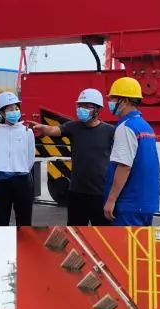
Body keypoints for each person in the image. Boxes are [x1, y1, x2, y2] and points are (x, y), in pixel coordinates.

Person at [28, 88, 114, 225]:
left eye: (86, 106)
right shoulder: (73, 127)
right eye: (80, 106)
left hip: (101, 193)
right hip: (77, 192)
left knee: (101, 232)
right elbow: (54, 130)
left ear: (98, 109)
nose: (81, 109)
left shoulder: (110, 131)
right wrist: (42, 128)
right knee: (75, 229)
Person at [103, 77, 160, 226]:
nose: (110, 102)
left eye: (113, 98)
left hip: (128, 204)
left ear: (124, 101)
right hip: (145, 203)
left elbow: (124, 166)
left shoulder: (126, 127)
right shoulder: (145, 126)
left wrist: (111, 200)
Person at [0, 91, 36, 226]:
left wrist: (20, 169)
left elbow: (30, 158)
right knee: (0, 220)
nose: (14, 112)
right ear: (2, 113)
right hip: (1, 182)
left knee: (24, 221)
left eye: (16, 108)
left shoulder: (27, 132)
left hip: (22, 181)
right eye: (10, 109)